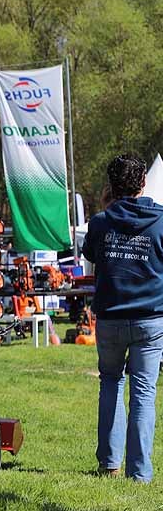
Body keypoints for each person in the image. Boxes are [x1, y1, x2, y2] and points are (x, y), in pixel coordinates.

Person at [82, 153, 163, 483]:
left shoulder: (101, 221)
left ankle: (110, 465)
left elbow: (89, 255)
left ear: (111, 186)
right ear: (143, 183)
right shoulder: (160, 221)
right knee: (144, 392)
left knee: (111, 383)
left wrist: (106, 208)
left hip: (111, 318)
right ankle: (140, 472)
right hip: (151, 320)